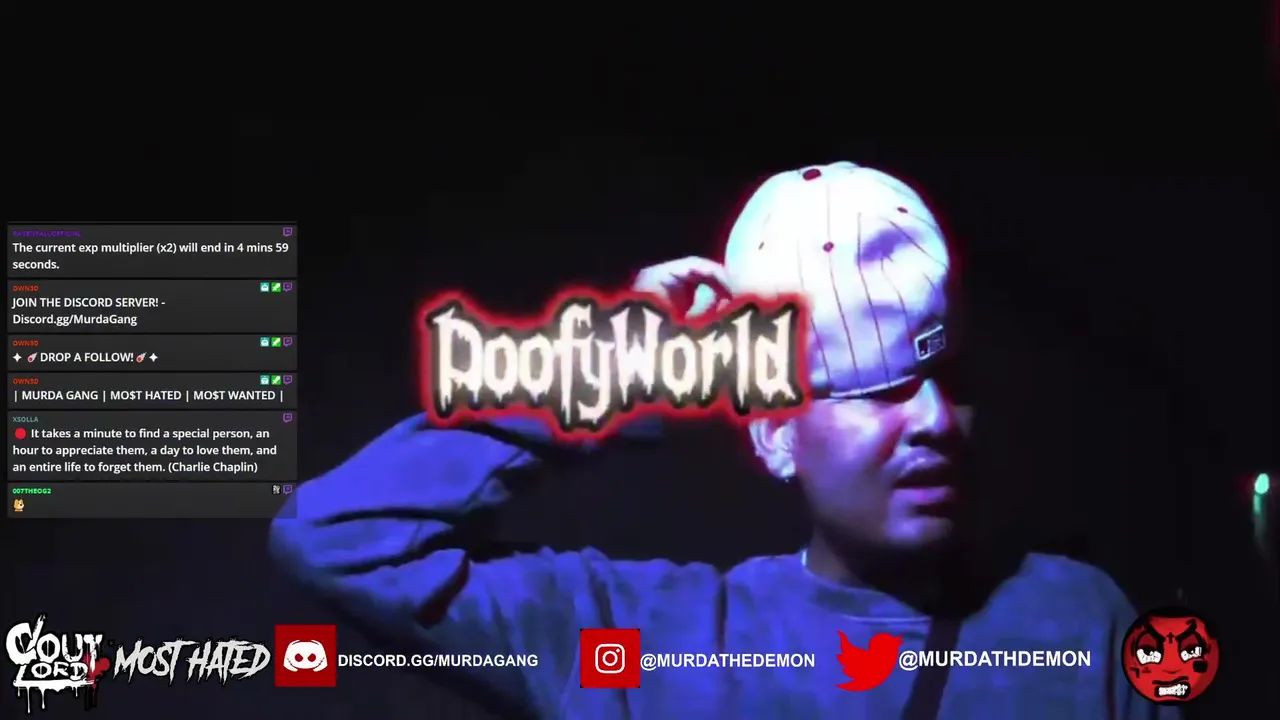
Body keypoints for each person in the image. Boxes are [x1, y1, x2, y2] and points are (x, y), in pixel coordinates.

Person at [271, 162, 1178, 718]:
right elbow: (334, 538)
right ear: (774, 434)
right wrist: (605, 370)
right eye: (875, 393)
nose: (936, 422)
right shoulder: (639, 639)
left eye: (953, 383)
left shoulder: (1081, 619)